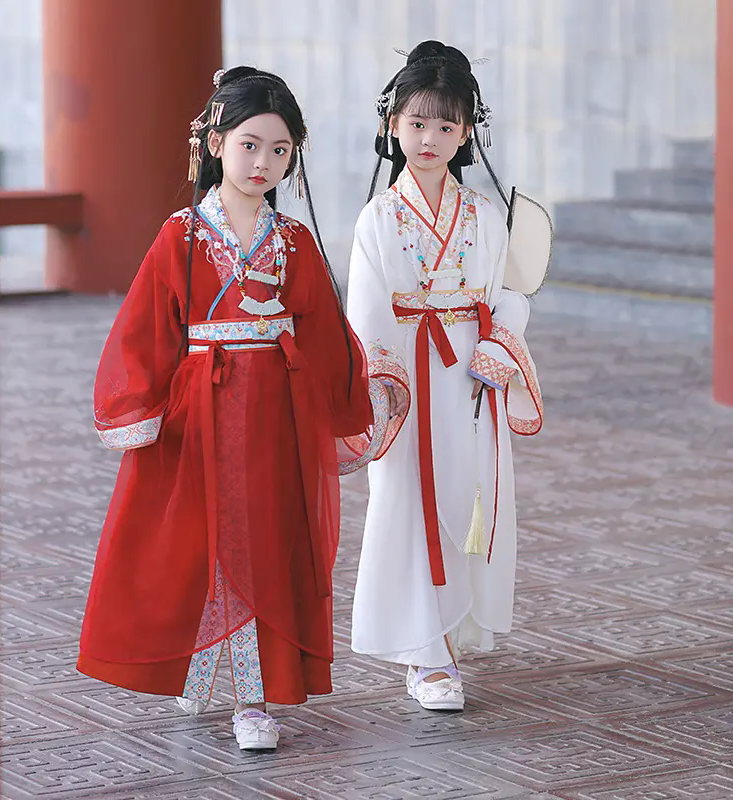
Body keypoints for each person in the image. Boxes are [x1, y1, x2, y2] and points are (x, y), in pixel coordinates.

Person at [78, 66, 376, 750]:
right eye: (249, 144)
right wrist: (142, 407)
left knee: (266, 542)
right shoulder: (180, 235)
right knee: (199, 545)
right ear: (214, 144)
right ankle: (210, 674)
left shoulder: (294, 240)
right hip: (201, 414)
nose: (263, 162)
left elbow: (323, 331)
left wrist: (350, 395)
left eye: (280, 149)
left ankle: (254, 698)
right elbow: (145, 329)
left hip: (275, 414)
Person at [347, 41, 543, 711]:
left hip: (470, 375)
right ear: (393, 125)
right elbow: (366, 313)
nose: (429, 139)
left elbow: (509, 293)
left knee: (468, 494)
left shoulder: (485, 215)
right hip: (406, 376)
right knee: (406, 499)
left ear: (465, 135)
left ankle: (452, 634)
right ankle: (424, 652)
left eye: (446, 125)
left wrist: (498, 346)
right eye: (417, 123)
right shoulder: (377, 217)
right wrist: (384, 385)